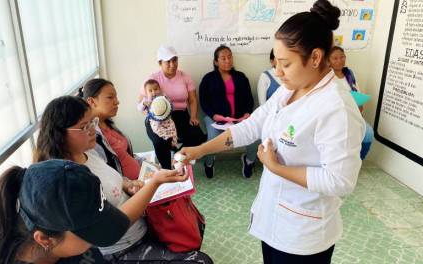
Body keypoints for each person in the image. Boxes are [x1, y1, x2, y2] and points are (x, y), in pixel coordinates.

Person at [180, 0, 365, 263]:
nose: (278, 72)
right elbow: (251, 126)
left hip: (305, 236)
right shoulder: (290, 89)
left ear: (315, 57)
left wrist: (277, 168)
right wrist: (200, 150)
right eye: (276, 62)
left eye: (285, 64)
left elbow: (340, 181)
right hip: (275, 218)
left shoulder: (337, 107)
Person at [34, 96, 212, 263]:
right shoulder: (69, 177)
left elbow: (114, 179)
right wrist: (156, 182)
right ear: (59, 134)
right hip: (121, 247)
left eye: (92, 123)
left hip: (140, 227)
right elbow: (112, 226)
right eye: (84, 127)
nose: (92, 131)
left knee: (195, 225)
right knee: (201, 260)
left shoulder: (88, 154)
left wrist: (128, 184)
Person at [0, 159, 186, 264]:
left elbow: (121, 220)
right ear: (45, 239)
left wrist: (156, 182)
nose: (99, 236)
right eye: (92, 231)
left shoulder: (59, 238)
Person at [138, 45, 206, 169]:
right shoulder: (152, 79)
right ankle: (166, 170)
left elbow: (192, 99)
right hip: (157, 118)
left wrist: (193, 116)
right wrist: (152, 117)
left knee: (198, 136)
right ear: (160, 63)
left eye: (175, 60)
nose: (172, 64)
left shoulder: (185, 77)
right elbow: (141, 102)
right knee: (160, 141)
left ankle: (177, 155)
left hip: (180, 114)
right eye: (168, 61)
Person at [199, 45, 258, 178]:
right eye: (223, 58)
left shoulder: (241, 77)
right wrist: (214, 115)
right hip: (215, 118)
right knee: (212, 139)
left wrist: (247, 113)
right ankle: (208, 162)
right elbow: (203, 101)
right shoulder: (208, 79)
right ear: (216, 62)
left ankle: (248, 161)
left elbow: (249, 98)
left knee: (255, 136)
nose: (228, 61)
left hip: (239, 118)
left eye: (230, 57)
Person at [80, 78, 141, 180]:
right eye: (110, 97)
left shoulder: (107, 123)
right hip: (129, 190)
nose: (117, 102)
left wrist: (148, 165)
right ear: (91, 101)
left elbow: (126, 155)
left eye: (116, 97)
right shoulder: (91, 136)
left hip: (142, 177)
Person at [328, 46, 374, 159]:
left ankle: (358, 162)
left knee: (369, 134)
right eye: (335, 58)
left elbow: (357, 92)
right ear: (328, 61)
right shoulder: (328, 77)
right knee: (365, 134)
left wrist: (360, 104)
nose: (340, 60)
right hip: (338, 114)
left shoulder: (349, 74)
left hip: (354, 113)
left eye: (342, 57)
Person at [138, 79, 178, 149]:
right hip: (154, 121)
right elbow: (139, 108)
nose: (153, 92)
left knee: (172, 128)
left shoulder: (163, 97)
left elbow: (170, 105)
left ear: (159, 89)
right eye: (150, 91)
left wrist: (167, 101)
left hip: (166, 119)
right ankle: (165, 139)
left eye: (156, 89)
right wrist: (143, 104)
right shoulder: (146, 100)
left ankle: (173, 143)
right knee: (158, 131)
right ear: (146, 93)